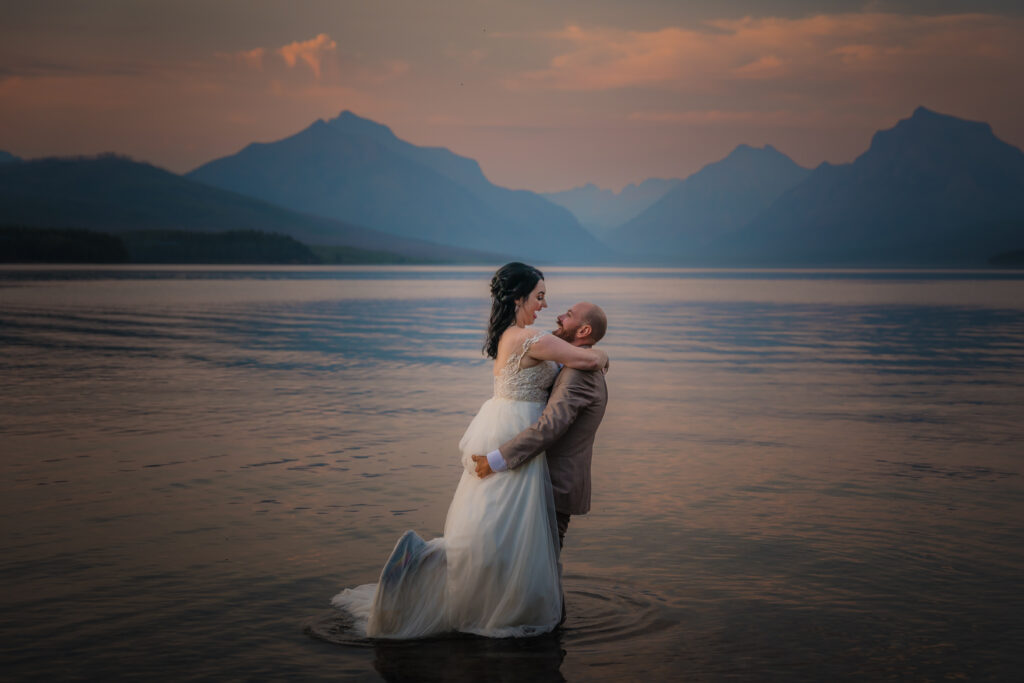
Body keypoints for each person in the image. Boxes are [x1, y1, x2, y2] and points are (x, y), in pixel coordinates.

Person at [331, 262, 608, 639]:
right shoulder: (530, 337)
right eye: (540, 297)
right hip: (514, 433)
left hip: (508, 426)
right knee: (502, 531)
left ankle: (472, 589)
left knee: (499, 530)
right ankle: (427, 570)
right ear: (519, 298)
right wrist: (602, 356)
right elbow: (588, 359)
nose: (546, 306)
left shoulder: (513, 335)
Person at [470, 300, 608, 551]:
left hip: (554, 486)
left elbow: (549, 427)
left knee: (542, 568)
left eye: (568, 315)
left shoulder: (578, 375)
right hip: (546, 482)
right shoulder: (578, 365)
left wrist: (497, 459)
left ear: (583, 331)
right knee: (536, 566)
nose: (559, 316)